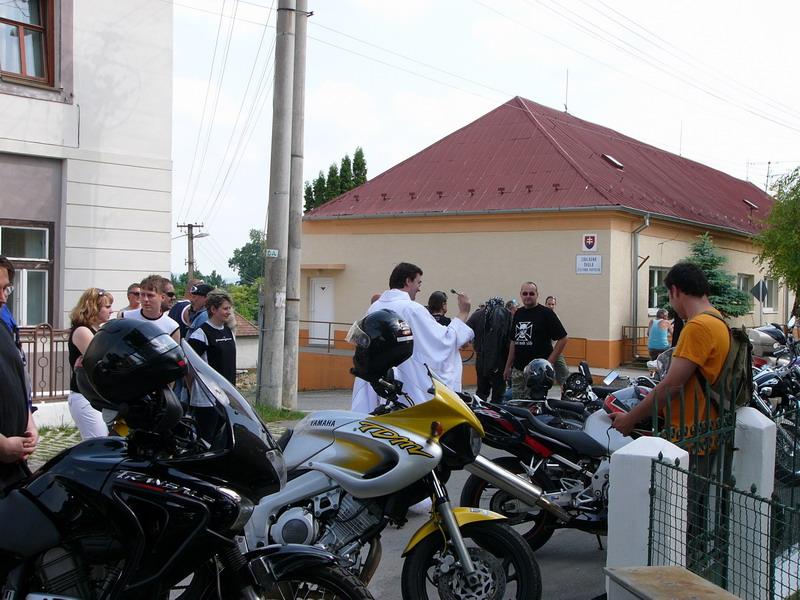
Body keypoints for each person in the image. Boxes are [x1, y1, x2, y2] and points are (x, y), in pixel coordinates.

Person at [609, 262, 728, 440]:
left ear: (675, 291)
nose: (671, 304)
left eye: (669, 296)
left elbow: (671, 386)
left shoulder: (698, 326)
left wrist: (629, 419)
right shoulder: (717, 320)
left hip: (690, 435)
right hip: (708, 428)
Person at [351, 262, 473, 412]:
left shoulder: (374, 307)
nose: (419, 288)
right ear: (408, 281)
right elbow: (444, 341)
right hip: (404, 385)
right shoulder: (412, 309)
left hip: (377, 381)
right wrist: (463, 312)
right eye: (418, 282)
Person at [0, 256, 37, 491]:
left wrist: (28, 421)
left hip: (12, 471)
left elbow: (16, 380)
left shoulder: (3, 327)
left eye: (5, 289)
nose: (3, 298)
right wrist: (2, 446)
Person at [503, 282, 568, 398]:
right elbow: (514, 341)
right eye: (525, 293)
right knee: (517, 404)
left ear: (537, 295)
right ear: (520, 295)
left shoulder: (546, 313)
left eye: (531, 293)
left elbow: (563, 338)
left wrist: (548, 363)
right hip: (519, 370)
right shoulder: (518, 314)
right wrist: (508, 366)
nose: (528, 296)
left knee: (534, 404)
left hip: (538, 372)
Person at [187, 289, 236, 441]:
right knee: (206, 439)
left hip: (226, 397)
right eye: (225, 309)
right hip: (207, 399)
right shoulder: (200, 334)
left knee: (222, 439)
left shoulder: (228, 331)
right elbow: (189, 368)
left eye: (229, 308)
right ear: (213, 309)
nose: (229, 312)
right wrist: (191, 391)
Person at [67, 288, 115, 439]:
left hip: (94, 397)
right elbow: (100, 361)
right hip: (84, 397)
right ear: (94, 307)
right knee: (97, 443)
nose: (111, 311)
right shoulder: (83, 331)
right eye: (107, 307)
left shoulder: (96, 330)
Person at [466, 297, 512, 402]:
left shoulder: (477, 315)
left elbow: (466, 331)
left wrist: (474, 346)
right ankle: (496, 411)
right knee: (498, 394)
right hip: (500, 360)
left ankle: (479, 410)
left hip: (481, 358)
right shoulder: (506, 314)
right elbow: (510, 339)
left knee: (481, 391)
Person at [120, 274, 180, 343]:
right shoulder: (126, 317)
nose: (145, 299)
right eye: (142, 294)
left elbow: (174, 349)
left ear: (162, 297)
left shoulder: (172, 326)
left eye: (150, 295)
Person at [544, 295, 570, 385]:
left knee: (564, 371)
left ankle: (564, 388)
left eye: (552, 304)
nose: (551, 306)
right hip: (544, 349)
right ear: (545, 304)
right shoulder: (542, 315)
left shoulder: (556, 317)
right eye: (549, 304)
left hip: (555, 348)